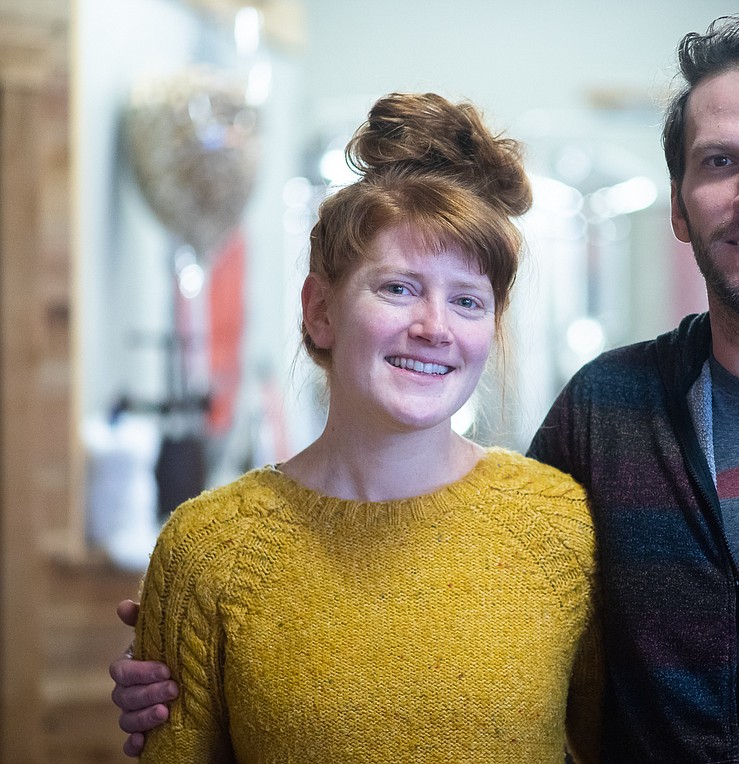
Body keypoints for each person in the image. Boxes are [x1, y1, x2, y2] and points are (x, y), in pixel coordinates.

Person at [111, 11, 739, 762]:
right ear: (681, 205)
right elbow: (464, 577)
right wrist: (198, 634)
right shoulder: (608, 415)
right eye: (720, 160)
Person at [113, 91, 602, 763]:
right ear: (321, 310)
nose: (434, 327)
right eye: (398, 288)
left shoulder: (560, 529)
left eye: (466, 300)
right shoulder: (209, 551)